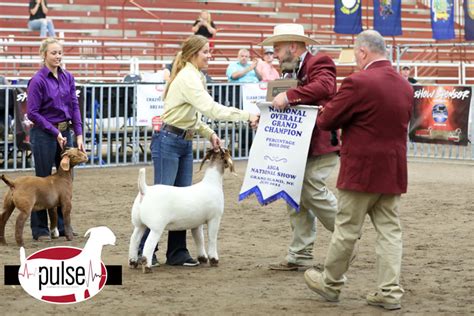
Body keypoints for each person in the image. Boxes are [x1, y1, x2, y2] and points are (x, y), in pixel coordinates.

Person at [303, 30, 413, 310]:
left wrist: (327, 109)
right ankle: (389, 292)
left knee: (347, 230)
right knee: (390, 232)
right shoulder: (405, 85)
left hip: (360, 172)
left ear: (363, 52)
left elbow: (328, 120)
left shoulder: (358, 82)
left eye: (355, 54)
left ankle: (330, 284)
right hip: (392, 170)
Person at [139, 35, 259, 267]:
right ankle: (145, 252)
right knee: (160, 200)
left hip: (182, 142)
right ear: (194, 54)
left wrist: (209, 134)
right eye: (206, 51)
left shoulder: (195, 76)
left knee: (182, 201)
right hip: (169, 141)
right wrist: (247, 115)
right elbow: (211, 109)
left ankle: (177, 253)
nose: (209, 55)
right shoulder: (188, 78)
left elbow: (193, 117)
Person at [260, 23, 341, 271]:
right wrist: (263, 118)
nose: (273, 53)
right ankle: (300, 254)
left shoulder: (320, 62)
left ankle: (347, 232)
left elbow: (325, 87)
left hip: (320, 142)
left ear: (292, 46)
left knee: (309, 188)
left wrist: (289, 96)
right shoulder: (288, 72)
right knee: (294, 195)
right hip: (297, 146)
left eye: (277, 47)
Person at [27, 37, 85, 241]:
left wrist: (78, 134)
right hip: (44, 135)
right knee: (42, 181)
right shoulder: (38, 80)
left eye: (60, 52)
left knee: (65, 180)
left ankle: (61, 226)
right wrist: (54, 131)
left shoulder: (68, 77)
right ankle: (40, 229)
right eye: (54, 52)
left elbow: (74, 106)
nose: (58, 56)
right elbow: (32, 113)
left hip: (65, 133)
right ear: (44, 55)